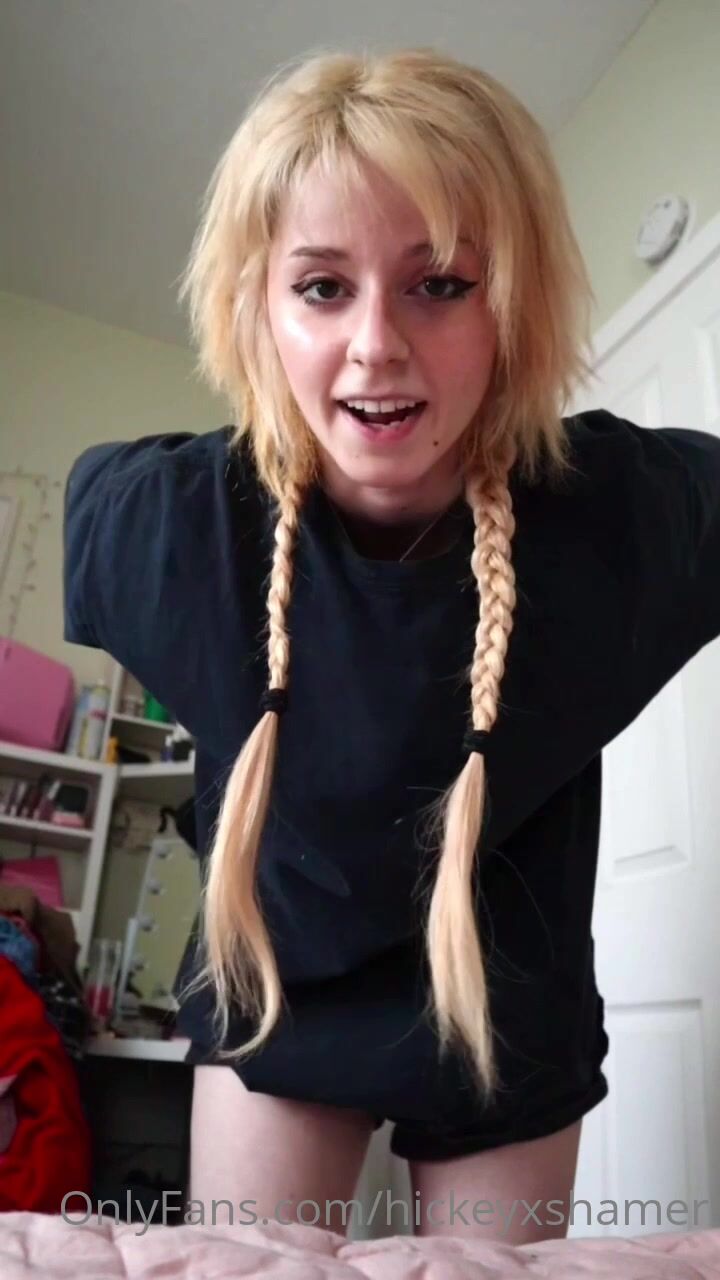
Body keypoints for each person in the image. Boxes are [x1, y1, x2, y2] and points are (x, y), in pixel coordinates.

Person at [62, 47, 720, 1244]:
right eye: (322, 286)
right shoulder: (171, 529)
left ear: (513, 303)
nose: (376, 342)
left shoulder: (622, 517)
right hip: (277, 990)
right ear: (259, 305)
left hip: (504, 1009)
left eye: (442, 284)